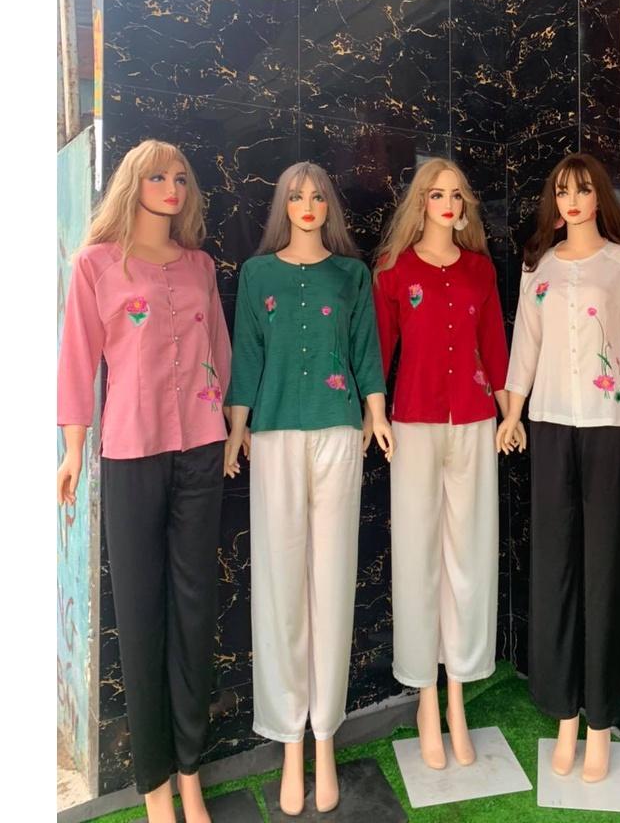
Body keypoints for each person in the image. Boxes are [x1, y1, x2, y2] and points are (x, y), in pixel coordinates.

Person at [57, 139, 231, 823]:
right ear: (133, 183)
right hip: (131, 454)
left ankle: (191, 770)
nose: (172, 187)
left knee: (195, 611)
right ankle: (155, 783)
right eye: (158, 176)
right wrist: (73, 450)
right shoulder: (97, 264)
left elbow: (218, 349)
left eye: (181, 177)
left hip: (202, 449)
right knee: (139, 614)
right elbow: (77, 359)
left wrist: (228, 424)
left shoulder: (200, 266)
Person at [223, 162, 391, 815]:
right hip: (273, 438)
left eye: (318, 195)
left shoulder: (351, 276)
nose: (308, 204)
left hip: (338, 434)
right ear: (282, 206)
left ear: (330, 206)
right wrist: (237, 430)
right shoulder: (257, 275)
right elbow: (247, 356)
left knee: (332, 582)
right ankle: (290, 739)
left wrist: (376, 413)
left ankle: (326, 735)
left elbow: (366, 350)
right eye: (296, 196)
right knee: (281, 585)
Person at [498, 153, 620, 783]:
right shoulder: (537, 266)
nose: (572, 199)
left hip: (611, 428)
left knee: (607, 570)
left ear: (600, 197)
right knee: (557, 569)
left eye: (583, 189)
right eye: (562, 190)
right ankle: (564, 712)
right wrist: (513, 414)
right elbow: (525, 345)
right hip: (549, 425)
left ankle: (602, 719)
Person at [371, 157, 520, 770]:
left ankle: (459, 694)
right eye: (437, 194)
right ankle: (425, 698)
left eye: (457, 194)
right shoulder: (394, 270)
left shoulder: (480, 270)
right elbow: (378, 348)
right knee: (417, 556)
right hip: (412, 422)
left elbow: (495, 347)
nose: (449, 203)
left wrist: (510, 414)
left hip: (476, 420)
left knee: (470, 557)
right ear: (421, 202)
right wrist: (371, 413)